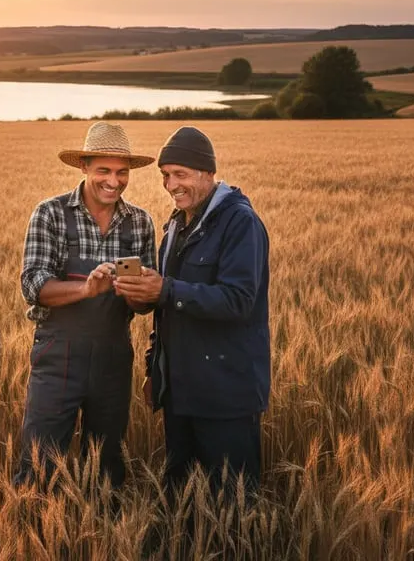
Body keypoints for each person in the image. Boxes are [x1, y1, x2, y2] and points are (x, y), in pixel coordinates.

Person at [114, 126, 270, 496]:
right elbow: (167, 313)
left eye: (180, 175)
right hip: (181, 394)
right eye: (166, 176)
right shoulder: (176, 226)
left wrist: (165, 289)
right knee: (181, 500)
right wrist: (156, 369)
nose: (171, 185)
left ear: (207, 172)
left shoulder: (240, 223)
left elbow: (238, 301)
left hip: (225, 394)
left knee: (233, 508)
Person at [15, 122, 157, 488]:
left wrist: (141, 292)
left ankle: (103, 538)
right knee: (39, 462)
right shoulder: (51, 213)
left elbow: (144, 309)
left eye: (122, 172)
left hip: (113, 357)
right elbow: (33, 285)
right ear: (84, 167)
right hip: (57, 355)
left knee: (107, 464)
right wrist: (86, 290)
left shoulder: (140, 222)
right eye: (104, 171)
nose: (114, 181)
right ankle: (32, 534)